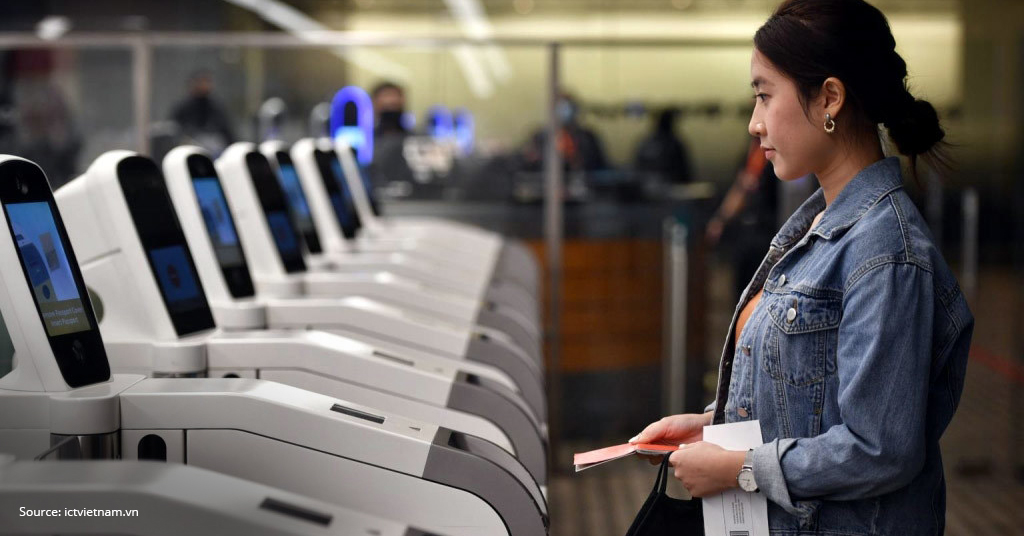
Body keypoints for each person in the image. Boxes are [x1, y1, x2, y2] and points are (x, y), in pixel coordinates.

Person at [629, 1, 974, 534]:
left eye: (765, 95)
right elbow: (807, 401)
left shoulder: (886, 254)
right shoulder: (820, 225)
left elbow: (880, 447)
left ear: (829, 98)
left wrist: (738, 467)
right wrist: (710, 427)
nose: (754, 121)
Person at [706, 137, 780, 301]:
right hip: (746, 232)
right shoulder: (752, 152)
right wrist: (721, 219)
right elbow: (741, 187)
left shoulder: (778, 156)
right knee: (742, 290)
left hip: (769, 230)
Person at [169, 70, 236, 154]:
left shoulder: (216, 107)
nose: (205, 85)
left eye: (207, 82)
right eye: (201, 82)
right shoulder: (183, 107)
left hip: (214, 149)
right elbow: (174, 129)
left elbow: (226, 131)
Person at [633, 107, 693, 184]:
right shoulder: (673, 143)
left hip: (646, 184)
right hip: (667, 184)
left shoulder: (645, 142)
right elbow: (684, 170)